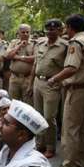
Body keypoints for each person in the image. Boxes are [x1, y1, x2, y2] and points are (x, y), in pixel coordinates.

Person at [47, 14, 84, 167]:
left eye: (66, 28)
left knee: (70, 130)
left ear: (70, 27)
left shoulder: (76, 43)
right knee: (83, 130)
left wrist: (55, 79)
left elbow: (71, 67)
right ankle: (80, 163)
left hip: (77, 90)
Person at [28, 19, 68, 158]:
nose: (51, 31)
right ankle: (40, 144)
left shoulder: (65, 46)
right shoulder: (40, 43)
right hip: (38, 82)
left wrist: (61, 82)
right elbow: (35, 65)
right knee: (37, 116)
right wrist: (30, 84)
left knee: (49, 117)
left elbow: (68, 67)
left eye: (54, 29)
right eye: (48, 29)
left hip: (52, 84)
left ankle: (50, 147)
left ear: (60, 30)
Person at [5, 24, 35, 104]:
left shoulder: (34, 43)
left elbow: (35, 58)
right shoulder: (13, 43)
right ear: (18, 33)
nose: (25, 34)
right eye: (23, 32)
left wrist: (18, 57)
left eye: (27, 32)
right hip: (14, 78)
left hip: (27, 79)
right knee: (13, 103)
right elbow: (8, 56)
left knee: (28, 104)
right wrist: (19, 46)